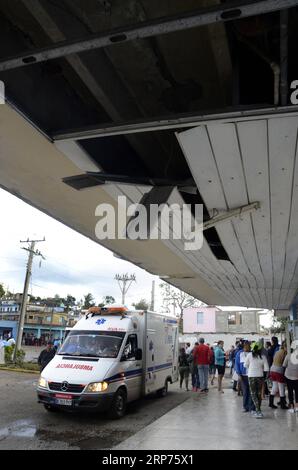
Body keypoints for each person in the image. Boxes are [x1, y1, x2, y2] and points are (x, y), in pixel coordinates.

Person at [245, 341, 269, 418]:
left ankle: (258, 411)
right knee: (259, 394)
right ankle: (258, 410)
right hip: (260, 376)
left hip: (251, 376)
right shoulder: (263, 357)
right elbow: (266, 369)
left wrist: (251, 367)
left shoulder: (249, 355)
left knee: (253, 393)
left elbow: (245, 365)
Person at [235, 341, 255, 413]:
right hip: (243, 375)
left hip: (252, 375)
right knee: (245, 391)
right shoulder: (239, 353)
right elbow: (237, 364)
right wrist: (239, 374)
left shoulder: (253, 353)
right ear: (243, 346)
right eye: (246, 346)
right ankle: (245, 406)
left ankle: (252, 407)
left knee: (252, 392)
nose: (247, 347)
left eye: (248, 346)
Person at [269, 341, 288, 409]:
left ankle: (271, 403)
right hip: (279, 371)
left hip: (272, 369)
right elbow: (285, 363)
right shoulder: (284, 353)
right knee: (281, 387)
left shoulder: (278, 351)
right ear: (285, 347)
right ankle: (283, 405)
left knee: (275, 387)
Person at [283, 340, 298, 413]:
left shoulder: (288, 356)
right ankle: (297, 407)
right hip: (296, 377)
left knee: (290, 392)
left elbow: (284, 365)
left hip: (288, 376)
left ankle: (292, 407)